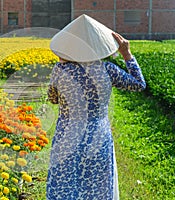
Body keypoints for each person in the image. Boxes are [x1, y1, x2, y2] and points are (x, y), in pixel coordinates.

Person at [46, 14, 146, 199]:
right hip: (97, 133)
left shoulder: (60, 70)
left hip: (67, 133)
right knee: (97, 185)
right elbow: (139, 84)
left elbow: (52, 98)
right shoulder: (108, 69)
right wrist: (127, 55)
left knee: (65, 183)